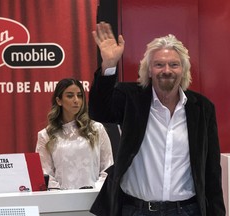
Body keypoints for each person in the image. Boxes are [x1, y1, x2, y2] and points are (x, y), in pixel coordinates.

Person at [88, 22, 225, 216]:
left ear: (184, 70)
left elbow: (211, 171)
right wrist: (108, 66)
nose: (166, 70)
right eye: (159, 64)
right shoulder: (130, 98)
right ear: (149, 70)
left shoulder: (202, 108)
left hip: (187, 211)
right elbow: (98, 111)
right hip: (136, 210)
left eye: (174, 64)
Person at [35, 78, 114, 190]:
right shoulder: (45, 135)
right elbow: (45, 173)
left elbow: (108, 167)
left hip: (94, 199)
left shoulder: (96, 129)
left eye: (80, 95)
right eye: (70, 96)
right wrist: (63, 195)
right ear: (59, 101)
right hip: (61, 202)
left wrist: (94, 190)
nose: (76, 100)